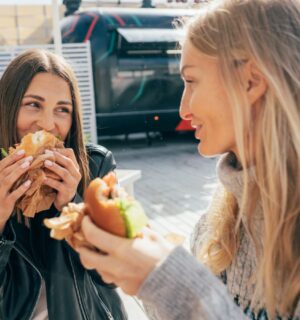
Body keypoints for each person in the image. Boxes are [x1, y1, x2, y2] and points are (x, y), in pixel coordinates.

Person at [76, 0, 300, 319]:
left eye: (191, 81)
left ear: (251, 81)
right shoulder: (217, 220)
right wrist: (142, 279)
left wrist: (171, 283)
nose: (183, 109)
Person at [0, 49, 127, 320]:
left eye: (62, 110)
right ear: (7, 107)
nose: (47, 124)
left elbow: (115, 274)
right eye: (33, 104)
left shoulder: (95, 166)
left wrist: (74, 208)